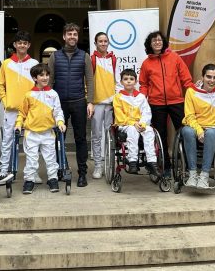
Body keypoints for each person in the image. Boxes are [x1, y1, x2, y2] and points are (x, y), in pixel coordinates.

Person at [139, 30, 193, 177]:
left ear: (163, 42)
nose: (157, 42)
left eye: (159, 40)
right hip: (156, 103)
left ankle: (188, 166)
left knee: (184, 131)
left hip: (176, 101)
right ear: (149, 44)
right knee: (160, 135)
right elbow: (143, 84)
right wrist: (142, 99)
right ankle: (166, 166)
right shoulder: (146, 63)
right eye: (154, 41)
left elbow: (186, 78)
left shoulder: (174, 57)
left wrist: (192, 92)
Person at [47, 22, 94, 187]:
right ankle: (60, 168)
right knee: (57, 138)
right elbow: (49, 80)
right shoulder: (55, 56)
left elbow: (89, 79)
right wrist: (48, 102)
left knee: (80, 138)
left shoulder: (85, 56)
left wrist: (90, 102)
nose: (72, 37)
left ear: (77, 37)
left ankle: (82, 174)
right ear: (64, 36)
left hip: (79, 102)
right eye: (69, 34)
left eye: (75, 34)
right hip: (59, 104)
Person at [15, 64, 66, 194]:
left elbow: (58, 111)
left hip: (48, 132)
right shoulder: (28, 95)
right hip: (31, 133)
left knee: (50, 158)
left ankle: (53, 179)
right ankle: (29, 181)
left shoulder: (53, 94)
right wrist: (18, 124)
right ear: (34, 78)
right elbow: (22, 113)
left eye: (47, 75)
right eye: (41, 75)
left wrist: (60, 122)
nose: (45, 78)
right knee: (31, 158)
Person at [0, 30, 38, 177]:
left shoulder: (34, 63)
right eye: (19, 43)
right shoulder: (6, 64)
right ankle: (3, 170)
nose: (22, 45)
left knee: (31, 143)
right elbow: (0, 85)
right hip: (11, 110)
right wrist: (6, 101)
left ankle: (32, 172)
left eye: (25, 43)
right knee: (7, 141)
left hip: (30, 111)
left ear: (29, 45)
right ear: (14, 44)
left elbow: (38, 86)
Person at [113, 68, 159, 176]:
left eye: (131, 79)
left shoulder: (141, 97)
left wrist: (143, 124)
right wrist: (133, 123)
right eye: (125, 79)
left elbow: (146, 113)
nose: (128, 81)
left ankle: (152, 162)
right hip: (124, 125)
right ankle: (132, 161)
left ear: (136, 82)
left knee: (149, 130)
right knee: (132, 130)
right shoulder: (118, 97)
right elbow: (119, 116)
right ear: (121, 82)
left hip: (140, 124)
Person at [90, 32, 116, 179]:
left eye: (105, 41)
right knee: (97, 135)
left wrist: (117, 100)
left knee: (110, 135)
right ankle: (98, 166)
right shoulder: (92, 59)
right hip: (97, 103)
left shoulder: (113, 58)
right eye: (100, 41)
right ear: (96, 43)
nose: (103, 43)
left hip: (111, 103)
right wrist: (90, 102)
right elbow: (87, 80)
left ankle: (109, 163)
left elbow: (117, 80)